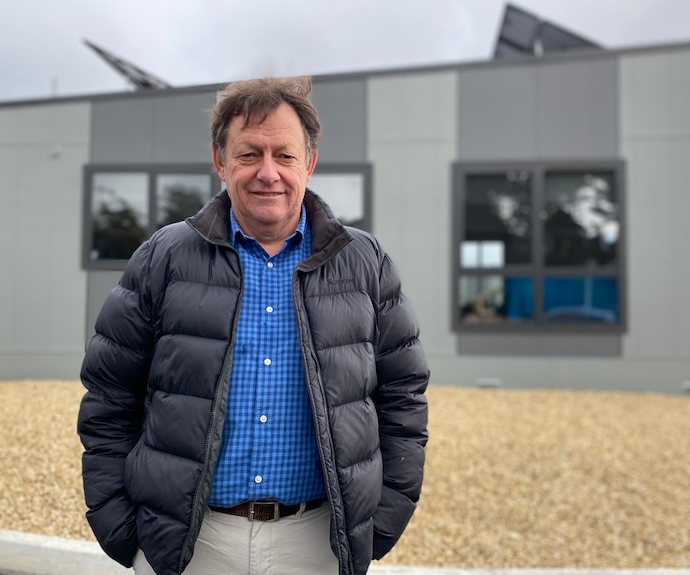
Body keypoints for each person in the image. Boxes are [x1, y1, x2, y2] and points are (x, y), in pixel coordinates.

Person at [77, 76, 429, 575]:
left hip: (318, 546)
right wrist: (125, 532)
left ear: (309, 162)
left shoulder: (364, 263)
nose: (268, 173)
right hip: (191, 548)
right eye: (249, 155)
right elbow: (110, 396)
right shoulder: (163, 257)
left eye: (284, 155)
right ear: (220, 161)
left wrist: (380, 523)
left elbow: (404, 397)